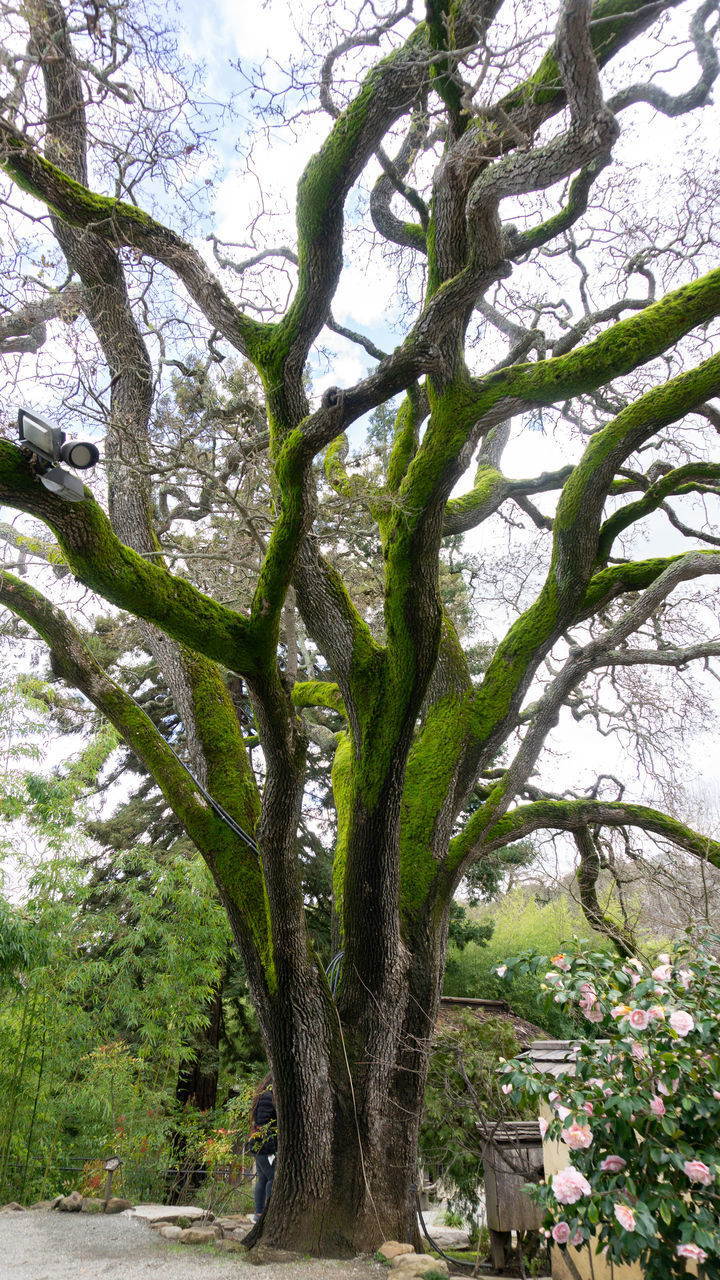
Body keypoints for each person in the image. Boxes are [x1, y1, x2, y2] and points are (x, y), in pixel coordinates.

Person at [249, 1072, 277, 1221]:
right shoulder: (267, 1097)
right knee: (273, 1177)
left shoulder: (264, 1096)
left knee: (263, 1178)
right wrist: (271, 1147)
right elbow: (263, 1124)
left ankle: (259, 1214)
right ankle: (266, 1213)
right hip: (264, 1147)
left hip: (260, 1145)